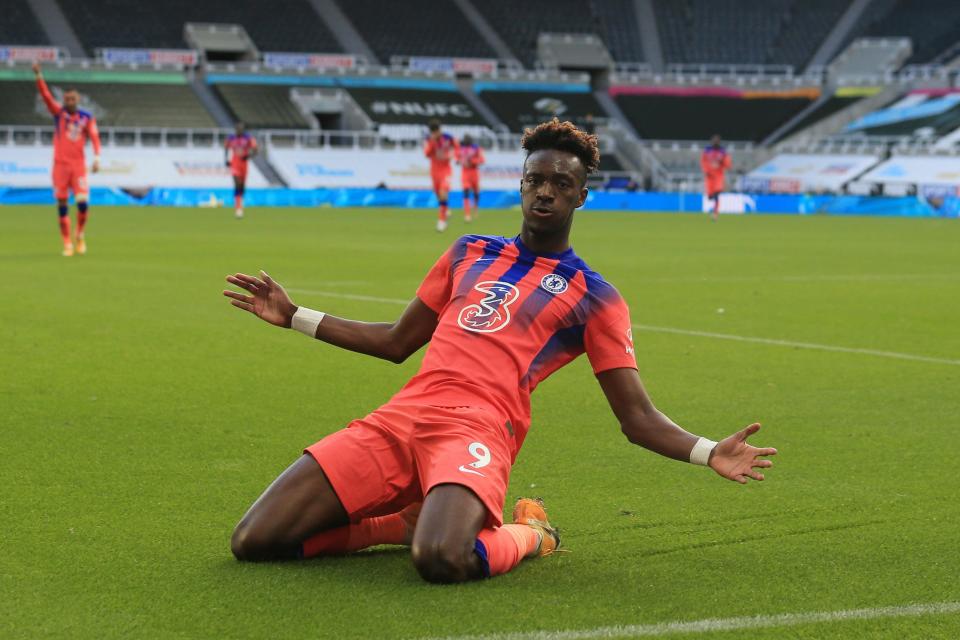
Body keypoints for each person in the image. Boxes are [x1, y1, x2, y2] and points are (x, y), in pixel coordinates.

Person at [222, 118, 776, 584]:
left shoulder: (596, 298)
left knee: (442, 560)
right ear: (521, 184)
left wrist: (708, 451)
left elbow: (637, 418)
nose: (546, 191)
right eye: (536, 179)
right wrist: (296, 316)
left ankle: (531, 533)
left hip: (479, 429)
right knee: (255, 541)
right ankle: (399, 523)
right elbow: (396, 343)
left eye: (562, 184)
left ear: (582, 196)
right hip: (405, 416)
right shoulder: (468, 252)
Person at [33, 62, 101, 256]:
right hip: (60, 166)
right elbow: (46, 97)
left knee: (82, 203)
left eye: (72, 98)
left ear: (77, 100)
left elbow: (95, 137)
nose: (69, 101)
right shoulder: (59, 114)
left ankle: (79, 235)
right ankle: (67, 243)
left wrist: (97, 157)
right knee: (62, 204)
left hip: (78, 166)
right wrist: (39, 76)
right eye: (67, 98)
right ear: (64, 100)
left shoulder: (87, 117)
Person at [424, 119, 459, 232]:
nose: (435, 134)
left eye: (437, 131)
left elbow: (457, 147)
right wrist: (432, 143)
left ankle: (442, 221)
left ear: (440, 130)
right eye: (433, 132)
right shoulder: (429, 140)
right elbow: (427, 154)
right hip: (434, 171)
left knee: (443, 192)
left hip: (446, 170)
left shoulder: (448, 138)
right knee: (438, 194)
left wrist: (454, 155)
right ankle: (446, 209)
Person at [224, 122, 257, 219]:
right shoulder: (231, 138)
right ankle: (238, 208)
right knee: (237, 183)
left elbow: (256, 149)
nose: (239, 130)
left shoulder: (248, 138)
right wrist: (226, 159)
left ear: (243, 130)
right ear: (235, 129)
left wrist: (248, 156)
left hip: (244, 164)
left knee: (242, 186)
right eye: (237, 128)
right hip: (235, 163)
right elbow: (226, 148)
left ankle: (240, 203)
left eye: (241, 129)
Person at [701, 134, 731, 221]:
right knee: (710, 197)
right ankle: (713, 209)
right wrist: (706, 170)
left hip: (718, 176)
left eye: (717, 141)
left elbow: (728, 164)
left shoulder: (723, 151)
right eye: (714, 140)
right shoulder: (707, 150)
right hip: (709, 177)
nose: (715, 142)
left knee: (717, 194)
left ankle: (715, 213)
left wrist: (723, 162)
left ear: (719, 142)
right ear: (712, 141)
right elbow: (703, 161)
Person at [458, 134, 485, 223]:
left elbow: (482, 160)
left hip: (474, 173)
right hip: (465, 173)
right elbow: (457, 159)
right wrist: (460, 161)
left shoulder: (476, 148)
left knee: (476, 193)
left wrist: (472, 161)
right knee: (466, 192)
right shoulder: (461, 148)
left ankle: (475, 208)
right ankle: (467, 214)